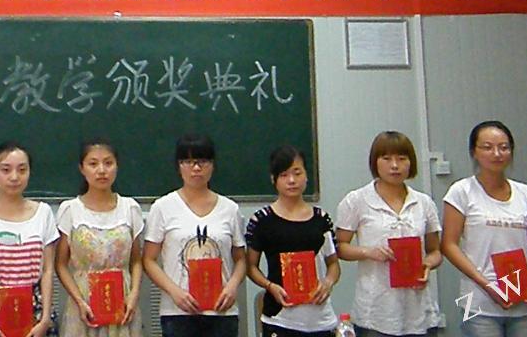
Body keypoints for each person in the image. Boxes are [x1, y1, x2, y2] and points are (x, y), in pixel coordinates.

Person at [441, 121, 527, 337]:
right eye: (487, 147)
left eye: (504, 147)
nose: (497, 154)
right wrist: (487, 285)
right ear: (474, 152)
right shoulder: (461, 191)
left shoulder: (526, 194)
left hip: (523, 300)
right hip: (478, 302)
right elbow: (449, 245)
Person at [335, 131, 442, 337]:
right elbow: (340, 248)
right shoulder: (356, 200)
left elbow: (435, 251)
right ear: (375, 162)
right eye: (386, 158)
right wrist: (369, 252)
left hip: (418, 308)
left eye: (402, 159)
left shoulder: (423, 202)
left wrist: (427, 265)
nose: (395, 165)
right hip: (375, 309)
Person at [143, 133, 246, 337]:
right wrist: (174, 292)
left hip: (221, 311)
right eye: (188, 162)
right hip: (178, 312)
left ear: (212, 165)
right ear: (179, 166)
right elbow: (148, 260)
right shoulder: (163, 207)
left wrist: (232, 287)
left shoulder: (230, 209)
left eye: (202, 161)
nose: (196, 168)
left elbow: (241, 259)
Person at [0, 141, 59, 337]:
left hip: (35, 309)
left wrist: (45, 318)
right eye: (6, 170)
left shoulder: (44, 213)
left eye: (22, 170)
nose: (14, 177)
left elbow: (48, 270)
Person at [245, 145, 340, 337]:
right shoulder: (262, 220)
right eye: (284, 175)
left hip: (320, 320)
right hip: (280, 319)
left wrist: (328, 282)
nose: (291, 180)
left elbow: (333, 264)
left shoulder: (321, 219)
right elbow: (250, 266)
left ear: (306, 176)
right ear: (273, 179)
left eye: (297, 173)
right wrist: (270, 286)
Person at [56, 139, 144, 337]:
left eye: (108, 163)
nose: (102, 170)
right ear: (82, 168)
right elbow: (60, 264)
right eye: (93, 164)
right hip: (84, 303)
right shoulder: (70, 210)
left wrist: (133, 295)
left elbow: (136, 261)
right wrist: (80, 301)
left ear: (117, 166)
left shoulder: (130, 208)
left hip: (123, 302)